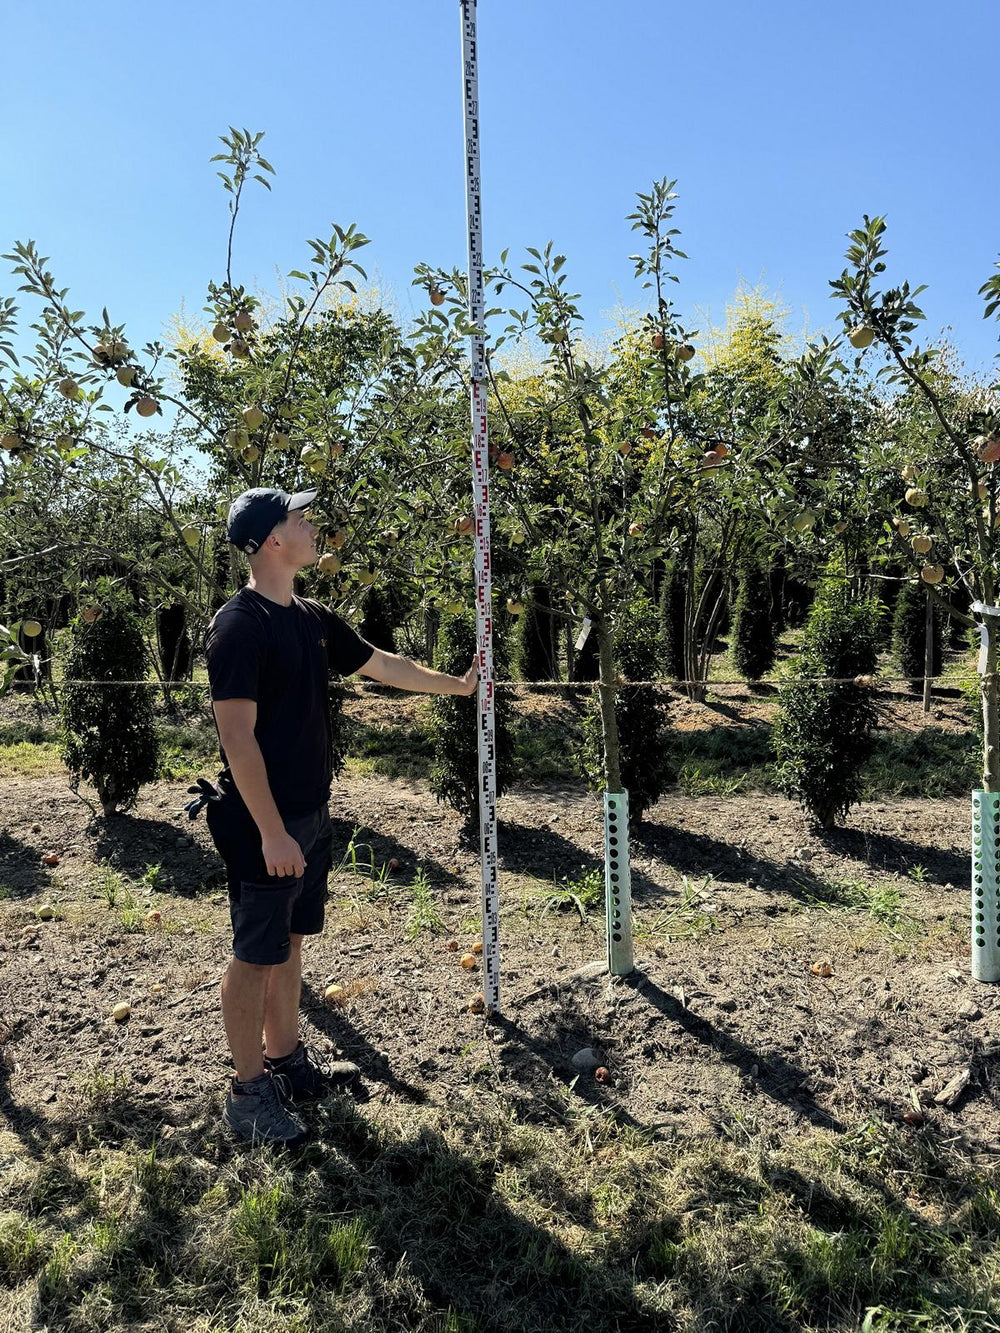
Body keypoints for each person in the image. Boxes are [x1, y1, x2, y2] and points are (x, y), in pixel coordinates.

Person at [196, 486, 478, 1146]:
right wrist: (270, 830)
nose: (311, 523)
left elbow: (382, 662)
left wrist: (458, 686)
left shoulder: (310, 616)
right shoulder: (239, 625)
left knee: (290, 944)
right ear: (272, 540)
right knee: (253, 954)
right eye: (299, 517)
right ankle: (247, 1095)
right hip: (264, 821)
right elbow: (236, 737)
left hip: (310, 815)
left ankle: (286, 1059)